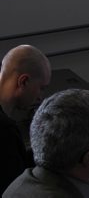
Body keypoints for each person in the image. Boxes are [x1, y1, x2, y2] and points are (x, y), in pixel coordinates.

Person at [0, 45, 51, 194]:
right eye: (41, 88)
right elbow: (16, 188)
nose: (40, 96)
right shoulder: (4, 129)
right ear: (23, 81)